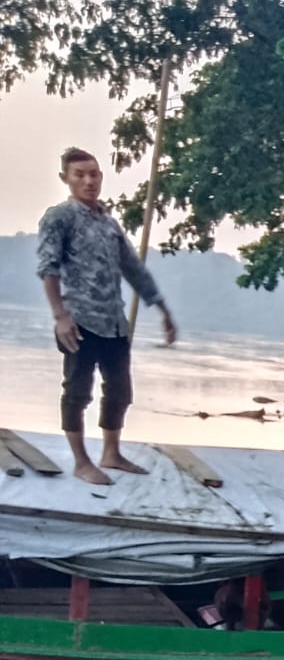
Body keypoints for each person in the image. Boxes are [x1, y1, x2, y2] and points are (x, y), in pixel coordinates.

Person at [37, 147, 179, 485]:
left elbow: (133, 269)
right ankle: (81, 461)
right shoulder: (59, 217)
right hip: (78, 321)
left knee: (120, 391)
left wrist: (162, 310)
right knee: (77, 392)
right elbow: (48, 268)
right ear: (66, 179)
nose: (89, 181)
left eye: (94, 174)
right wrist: (60, 316)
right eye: (80, 175)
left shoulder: (109, 223)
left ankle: (111, 452)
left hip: (113, 322)